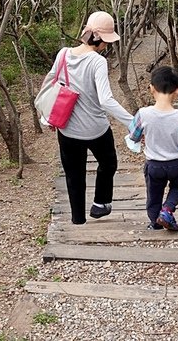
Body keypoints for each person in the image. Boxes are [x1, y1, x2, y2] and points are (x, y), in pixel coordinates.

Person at [45, 11, 134, 225]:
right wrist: (132, 122)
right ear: (102, 39)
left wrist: (47, 117)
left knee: (74, 174)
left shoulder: (64, 54)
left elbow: (50, 83)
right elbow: (105, 100)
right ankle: (101, 203)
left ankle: (78, 220)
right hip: (97, 130)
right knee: (109, 163)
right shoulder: (97, 62)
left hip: (67, 130)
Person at [127, 65, 178, 231]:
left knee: (154, 195)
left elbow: (133, 135)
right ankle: (167, 210)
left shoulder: (143, 113)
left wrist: (139, 137)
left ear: (151, 88)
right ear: (177, 90)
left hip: (154, 165)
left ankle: (155, 223)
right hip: (176, 165)